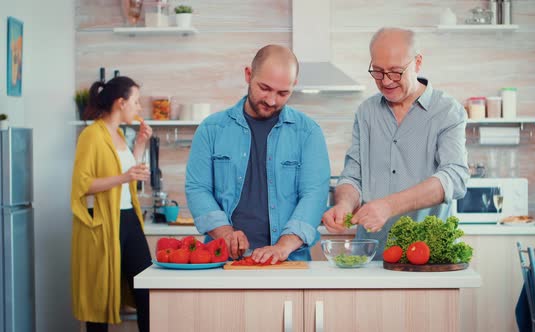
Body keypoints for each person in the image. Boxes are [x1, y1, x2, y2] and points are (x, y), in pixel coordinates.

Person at [322, 27, 469, 257]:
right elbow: (353, 176)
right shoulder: (366, 112)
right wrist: (344, 205)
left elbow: (455, 177)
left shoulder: (447, 111)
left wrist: (389, 206)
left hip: (426, 257)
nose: (387, 81)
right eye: (378, 71)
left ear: (417, 63)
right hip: (371, 254)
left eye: (396, 72)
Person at [185, 45, 330, 263]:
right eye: (265, 88)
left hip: (289, 259)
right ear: (248, 75)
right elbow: (198, 188)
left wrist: (282, 247)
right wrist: (225, 234)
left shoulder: (308, 132)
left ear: (294, 86)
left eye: (283, 93)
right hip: (223, 259)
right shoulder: (211, 129)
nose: (272, 101)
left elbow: (314, 195)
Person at [70, 76, 152, 332]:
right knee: (100, 295)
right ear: (120, 102)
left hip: (128, 218)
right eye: (136, 101)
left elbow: (127, 175)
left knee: (145, 290)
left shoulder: (118, 134)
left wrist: (139, 145)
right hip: (105, 220)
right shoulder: (91, 135)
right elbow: (83, 185)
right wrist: (126, 177)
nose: (138, 108)